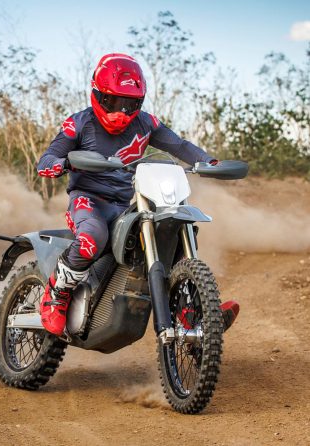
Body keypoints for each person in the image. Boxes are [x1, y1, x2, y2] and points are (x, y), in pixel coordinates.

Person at [36, 53, 239, 337]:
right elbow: (48, 158)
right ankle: (57, 293)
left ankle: (190, 312)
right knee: (93, 238)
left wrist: (208, 161)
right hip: (88, 201)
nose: (121, 112)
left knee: (169, 231)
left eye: (129, 104)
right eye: (113, 102)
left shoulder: (147, 123)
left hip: (124, 204)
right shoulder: (78, 123)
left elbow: (179, 145)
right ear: (98, 94)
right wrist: (60, 163)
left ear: (140, 102)